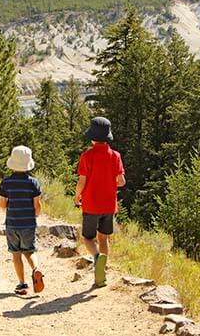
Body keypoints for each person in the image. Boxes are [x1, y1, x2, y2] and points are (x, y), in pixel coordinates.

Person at [74, 117, 125, 288]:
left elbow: (82, 181)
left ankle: (97, 259)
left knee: (88, 238)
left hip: (91, 204)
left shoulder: (87, 156)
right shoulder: (115, 156)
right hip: (109, 205)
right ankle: (102, 273)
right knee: (103, 239)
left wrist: (77, 196)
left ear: (92, 137)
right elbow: (121, 181)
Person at [0, 145, 45, 295]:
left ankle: (22, 284)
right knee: (29, 251)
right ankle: (36, 269)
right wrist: (35, 216)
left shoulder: (6, 183)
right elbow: (37, 206)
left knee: (16, 254)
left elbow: (2, 204)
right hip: (29, 224)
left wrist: (9, 211)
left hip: (12, 223)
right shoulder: (33, 183)